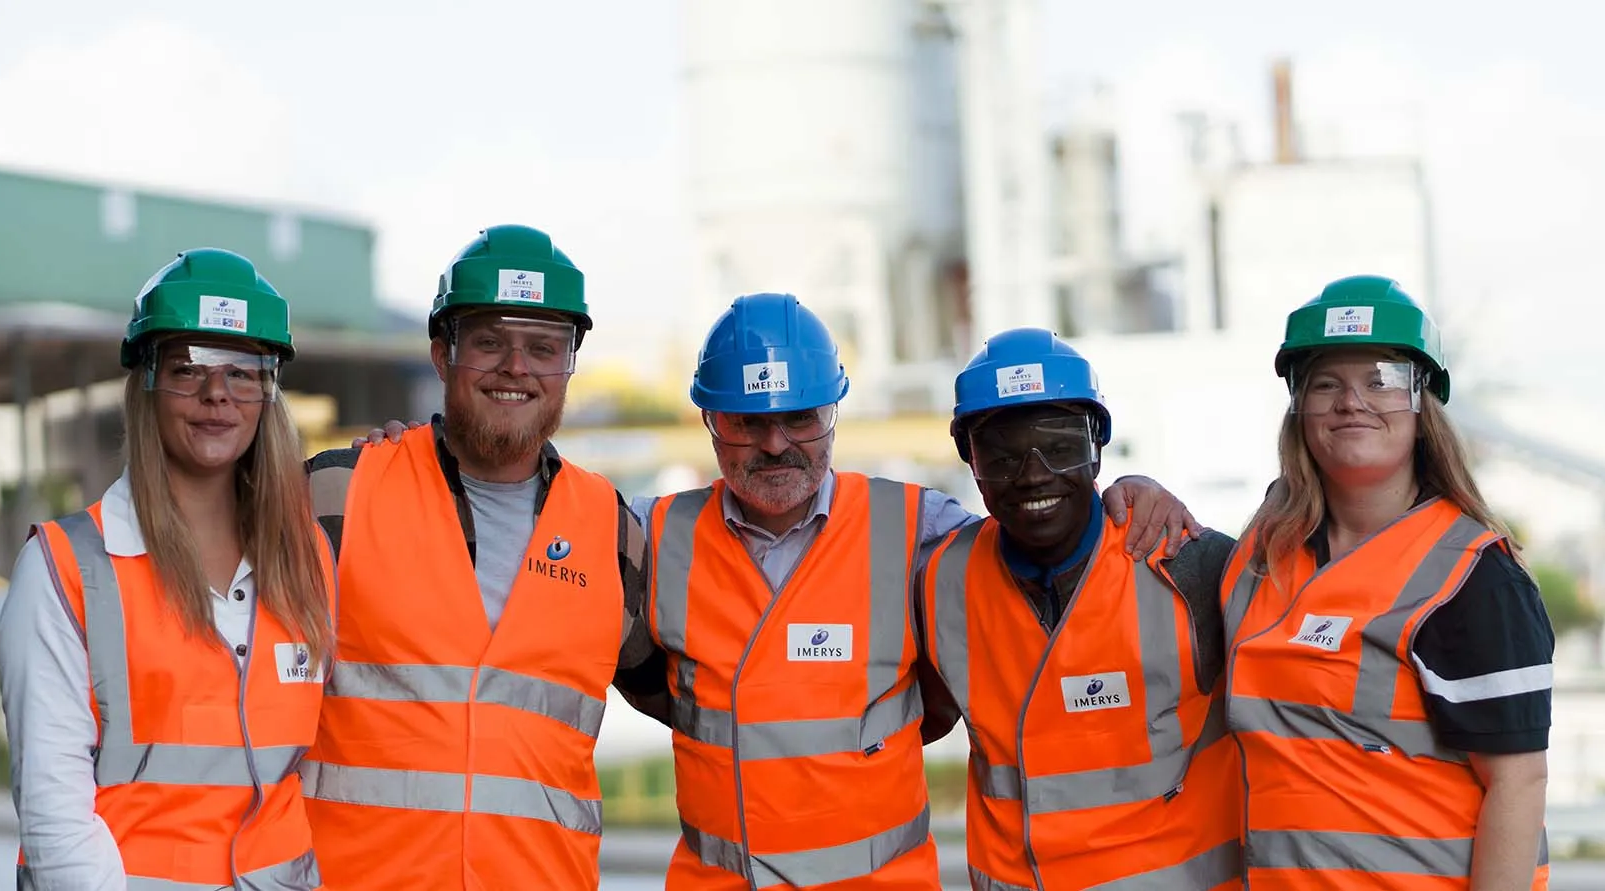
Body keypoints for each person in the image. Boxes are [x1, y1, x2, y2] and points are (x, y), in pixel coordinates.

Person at [635, 294, 1197, 890]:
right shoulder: (651, 538)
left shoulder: (921, 532)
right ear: (709, 422)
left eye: (801, 417)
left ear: (833, 411)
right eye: (747, 422)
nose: (775, 443)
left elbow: (1036, 528)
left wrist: (1132, 490)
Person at [299, 224, 656, 890]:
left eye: (543, 348)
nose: (517, 368)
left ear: (567, 365)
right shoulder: (336, 495)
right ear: (443, 354)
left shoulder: (612, 533)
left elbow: (711, 700)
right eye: (490, 342)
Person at [0, 248, 337, 890]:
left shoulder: (308, 558)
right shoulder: (66, 570)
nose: (217, 395)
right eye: (188, 369)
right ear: (145, 381)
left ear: (269, 391)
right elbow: (55, 824)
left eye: (243, 372)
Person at [1220, 275, 1553, 890]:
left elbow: (1518, 783)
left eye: (1382, 380)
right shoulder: (1262, 554)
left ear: (1423, 403)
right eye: (1326, 384)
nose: (1352, 401)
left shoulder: (1473, 576)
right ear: (1299, 408)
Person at [917, 327, 1242, 890]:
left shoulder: (1194, 566)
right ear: (969, 459)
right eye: (1002, 455)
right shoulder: (940, 579)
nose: (1034, 474)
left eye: (1062, 445)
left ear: (1099, 444)